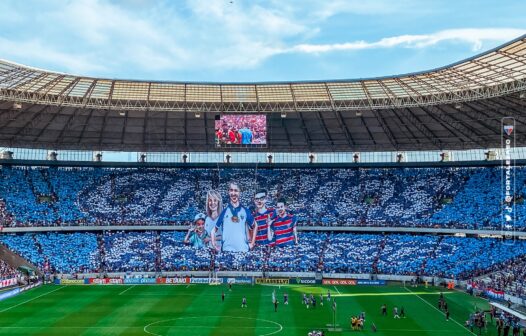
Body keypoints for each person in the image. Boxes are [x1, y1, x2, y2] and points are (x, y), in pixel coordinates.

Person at [212, 182, 257, 252]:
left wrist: (252, 243)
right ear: (228, 192)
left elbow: (255, 225)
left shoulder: (245, 211)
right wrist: (214, 244)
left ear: (240, 193)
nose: (233, 193)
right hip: (226, 250)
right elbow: (213, 230)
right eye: (231, 190)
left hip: (243, 250)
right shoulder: (224, 211)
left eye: (236, 190)